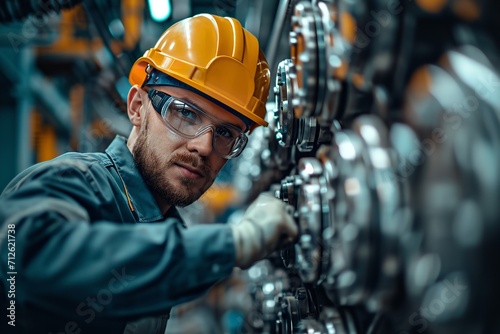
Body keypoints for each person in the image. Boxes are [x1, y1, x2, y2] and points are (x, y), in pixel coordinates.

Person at [0, 14, 298, 334]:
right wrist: (232, 243)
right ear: (138, 107)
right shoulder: (79, 182)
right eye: (186, 113)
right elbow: (22, 265)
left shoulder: (160, 225)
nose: (204, 146)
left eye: (226, 133)